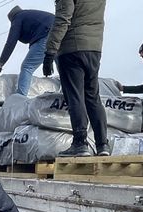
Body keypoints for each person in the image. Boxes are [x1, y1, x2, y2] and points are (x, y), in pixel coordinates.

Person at [42, 0, 110, 157]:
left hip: (71, 48)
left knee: (75, 96)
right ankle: (102, 145)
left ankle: (80, 143)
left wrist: (50, 52)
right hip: (94, 48)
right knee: (93, 97)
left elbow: (63, 17)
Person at [0, 6, 55, 96]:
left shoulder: (17, 18)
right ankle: (67, 94)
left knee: (27, 67)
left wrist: (0, 65)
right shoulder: (30, 15)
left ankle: (20, 98)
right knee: (63, 67)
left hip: (46, 35)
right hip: (62, 31)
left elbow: (10, 43)